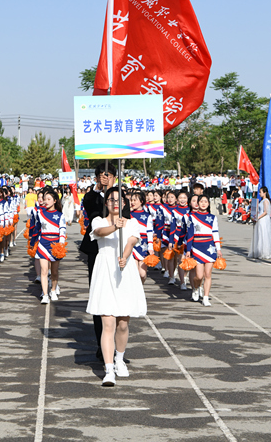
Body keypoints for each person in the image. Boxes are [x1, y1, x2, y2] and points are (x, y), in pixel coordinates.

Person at [87, 186, 146, 387]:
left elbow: (131, 241)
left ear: (124, 203)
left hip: (124, 271)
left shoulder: (133, 223)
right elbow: (99, 232)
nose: (114, 203)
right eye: (111, 199)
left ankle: (119, 359)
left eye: (118, 199)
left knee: (122, 323)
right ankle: (109, 369)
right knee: (108, 323)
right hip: (105, 271)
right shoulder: (99, 221)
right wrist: (114, 227)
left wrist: (125, 256)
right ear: (106, 203)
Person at [79, 162, 117, 362]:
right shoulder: (92, 197)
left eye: (109, 175)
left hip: (117, 250)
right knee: (100, 295)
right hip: (97, 252)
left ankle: (116, 344)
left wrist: (112, 191)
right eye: (102, 175)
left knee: (118, 297)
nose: (105, 178)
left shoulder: (121, 197)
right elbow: (89, 205)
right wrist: (99, 188)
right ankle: (102, 344)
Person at [185, 195, 221, 307]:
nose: (203, 203)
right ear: (198, 203)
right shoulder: (192, 217)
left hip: (210, 247)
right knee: (199, 276)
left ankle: (205, 297)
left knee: (208, 274)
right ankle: (196, 288)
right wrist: (188, 250)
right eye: (201, 201)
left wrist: (218, 249)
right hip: (197, 248)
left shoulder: (213, 217)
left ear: (208, 204)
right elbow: (190, 235)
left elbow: (215, 233)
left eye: (206, 201)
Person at [32, 189, 67, 303]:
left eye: (49, 199)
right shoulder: (40, 213)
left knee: (54, 272)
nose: (46, 201)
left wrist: (61, 244)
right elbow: (37, 229)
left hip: (55, 245)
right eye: (45, 199)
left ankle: (53, 290)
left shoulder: (60, 215)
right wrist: (32, 242)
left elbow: (62, 230)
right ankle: (45, 295)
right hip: (43, 244)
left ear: (55, 201)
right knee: (44, 270)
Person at [248, 187, 271, 260]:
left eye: (261, 192)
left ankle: (265, 252)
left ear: (265, 193)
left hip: (263, 219)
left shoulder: (266, 201)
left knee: (263, 235)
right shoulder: (262, 201)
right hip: (260, 219)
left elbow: (265, 212)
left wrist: (258, 217)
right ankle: (260, 251)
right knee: (260, 235)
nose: (259, 193)